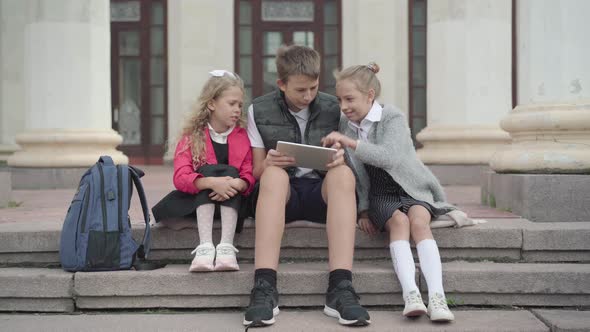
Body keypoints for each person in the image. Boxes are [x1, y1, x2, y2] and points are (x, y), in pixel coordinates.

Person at [243, 45, 370, 327]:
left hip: (319, 194)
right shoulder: (258, 109)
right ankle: (264, 287)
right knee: (273, 174)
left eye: (313, 88)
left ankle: (341, 288)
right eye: (300, 90)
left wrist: (339, 157)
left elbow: (352, 153)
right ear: (281, 84)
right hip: (279, 197)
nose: (308, 96)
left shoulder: (332, 107)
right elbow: (256, 170)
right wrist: (271, 161)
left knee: (343, 175)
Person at [322, 62, 456, 322]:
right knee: (399, 221)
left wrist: (350, 142)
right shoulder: (345, 124)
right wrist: (362, 209)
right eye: (340, 100)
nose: (344, 106)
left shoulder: (391, 116)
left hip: (411, 186)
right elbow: (357, 175)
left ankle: (438, 297)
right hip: (380, 193)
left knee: (419, 221)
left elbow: (390, 158)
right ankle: (411, 295)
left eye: (349, 99)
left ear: (370, 95)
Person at [152, 70, 255, 272]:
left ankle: (226, 247)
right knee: (209, 171)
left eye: (240, 105)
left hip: (234, 201)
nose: (237, 110)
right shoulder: (192, 136)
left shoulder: (243, 136)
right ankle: (205, 247)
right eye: (231, 103)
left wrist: (237, 184)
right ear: (211, 104)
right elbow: (181, 176)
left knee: (231, 172)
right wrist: (211, 182)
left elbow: (248, 172)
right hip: (200, 200)